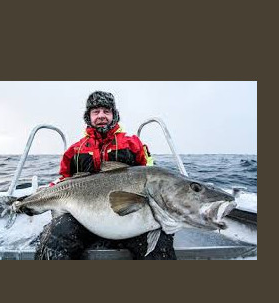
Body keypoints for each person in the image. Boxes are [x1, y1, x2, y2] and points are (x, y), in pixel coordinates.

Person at [33, 91, 176, 260]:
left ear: (114, 115)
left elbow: (151, 174)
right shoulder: (74, 151)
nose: (101, 116)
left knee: (160, 246)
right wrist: (38, 196)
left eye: (106, 111)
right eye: (96, 112)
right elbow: (63, 180)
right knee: (55, 238)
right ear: (89, 117)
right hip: (83, 219)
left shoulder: (133, 144)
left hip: (132, 220)